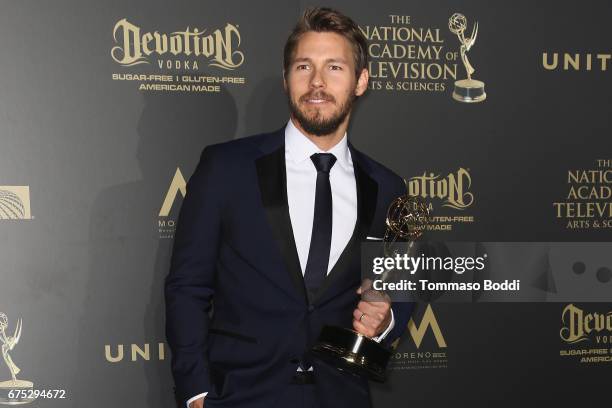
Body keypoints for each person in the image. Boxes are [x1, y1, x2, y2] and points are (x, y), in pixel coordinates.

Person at [165, 7, 413, 408]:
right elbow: (187, 287)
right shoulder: (226, 168)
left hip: (342, 396)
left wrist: (385, 322)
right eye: (304, 66)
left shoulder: (387, 187)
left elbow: (398, 290)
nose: (317, 82)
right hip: (240, 396)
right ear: (286, 80)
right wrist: (195, 392)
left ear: (361, 81)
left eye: (334, 67)